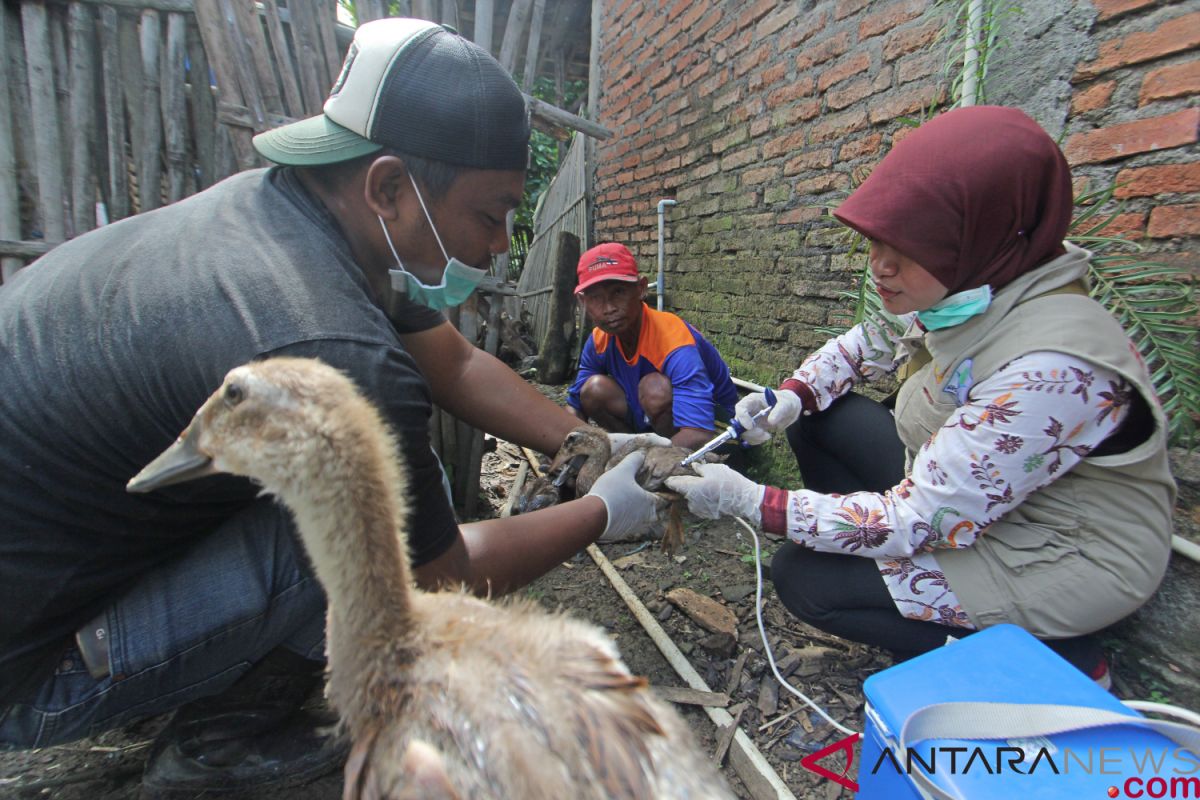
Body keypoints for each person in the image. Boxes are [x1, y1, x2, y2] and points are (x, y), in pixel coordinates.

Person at [0, 18, 662, 797]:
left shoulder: (286, 218)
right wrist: (602, 515)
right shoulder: (328, 342)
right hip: (28, 676)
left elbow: (455, 360)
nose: (497, 249)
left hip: (47, 590)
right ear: (387, 185)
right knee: (359, 521)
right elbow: (431, 585)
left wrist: (587, 446)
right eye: (491, 215)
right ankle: (222, 744)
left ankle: (185, 661)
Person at [665, 106, 1174, 684]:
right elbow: (863, 345)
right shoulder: (972, 287)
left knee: (807, 579)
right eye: (876, 240)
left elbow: (919, 517)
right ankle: (890, 570)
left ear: (984, 234)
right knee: (819, 420)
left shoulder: (1052, 370)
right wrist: (792, 397)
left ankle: (1061, 660)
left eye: (909, 248)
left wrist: (756, 503)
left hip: (1060, 550)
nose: (880, 266)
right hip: (971, 499)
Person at [567, 242, 740, 453]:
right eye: (596, 298)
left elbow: (698, 433)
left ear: (641, 289)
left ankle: (656, 465)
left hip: (717, 433)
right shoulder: (598, 340)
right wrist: (566, 448)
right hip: (653, 424)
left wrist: (636, 466)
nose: (609, 308)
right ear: (583, 302)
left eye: (618, 292)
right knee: (593, 389)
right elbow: (575, 407)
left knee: (654, 389)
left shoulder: (673, 340)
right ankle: (636, 454)